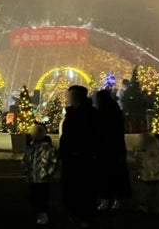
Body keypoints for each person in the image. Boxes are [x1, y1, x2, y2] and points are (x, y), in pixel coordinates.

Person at [59, 84, 101, 228]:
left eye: (69, 95)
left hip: (84, 157)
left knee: (84, 188)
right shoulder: (71, 113)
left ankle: (85, 216)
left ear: (76, 97)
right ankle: (74, 214)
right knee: (71, 188)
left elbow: (94, 135)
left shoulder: (90, 114)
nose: (67, 98)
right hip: (70, 157)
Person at [94, 88, 132, 211]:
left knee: (107, 175)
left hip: (107, 149)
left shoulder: (103, 113)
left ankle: (109, 199)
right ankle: (116, 199)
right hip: (113, 148)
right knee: (114, 175)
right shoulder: (114, 111)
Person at [21, 121, 58, 225]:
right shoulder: (30, 148)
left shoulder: (48, 148)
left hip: (42, 178)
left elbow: (53, 162)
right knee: (34, 196)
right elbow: (24, 160)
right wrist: (26, 170)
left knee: (42, 197)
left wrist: (48, 172)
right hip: (33, 177)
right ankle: (39, 213)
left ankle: (43, 214)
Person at [134, 131, 159, 213]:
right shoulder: (154, 151)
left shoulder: (144, 151)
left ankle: (147, 205)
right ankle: (156, 206)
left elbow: (138, 159)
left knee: (147, 189)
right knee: (152, 190)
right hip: (151, 172)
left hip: (149, 172)